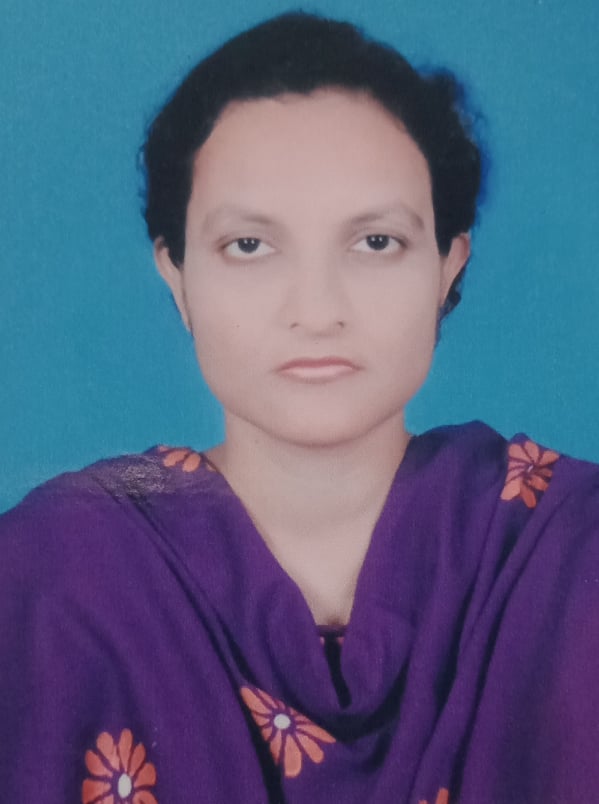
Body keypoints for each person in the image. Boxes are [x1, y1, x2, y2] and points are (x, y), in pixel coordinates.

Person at [1, 11, 598, 804]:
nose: (316, 310)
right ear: (176, 276)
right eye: (249, 246)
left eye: (375, 242)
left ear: (447, 266)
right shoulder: (46, 580)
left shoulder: (573, 552)